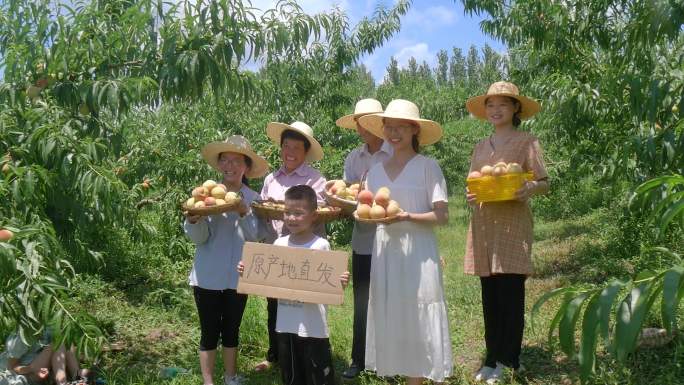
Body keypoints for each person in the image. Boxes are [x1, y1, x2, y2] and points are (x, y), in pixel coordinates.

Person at [357, 99, 453, 384]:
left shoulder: (428, 166)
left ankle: (417, 377)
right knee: (393, 309)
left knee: (420, 308)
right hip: (386, 250)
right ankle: (402, 369)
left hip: (418, 252)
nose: (394, 133)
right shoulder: (374, 172)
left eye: (401, 127)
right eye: (389, 127)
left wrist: (407, 216)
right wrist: (362, 213)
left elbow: (442, 215)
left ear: (414, 130)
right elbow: (367, 210)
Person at [463, 81, 549, 384]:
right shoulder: (480, 148)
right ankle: (491, 357)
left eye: (502, 104)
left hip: (512, 224)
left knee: (511, 292)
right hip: (485, 224)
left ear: (516, 108)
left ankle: (509, 359)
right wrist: (471, 195)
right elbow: (475, 184)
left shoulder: (527, 141)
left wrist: (530, 188)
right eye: (490, 104)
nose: (495, 110)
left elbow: (544, 181)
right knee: (491, 296)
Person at [238, 185, 349, 385]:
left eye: (299, 213)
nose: (292, 218)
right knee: (291, 375)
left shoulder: (321, 245)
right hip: (286, 325)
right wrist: (248, 271)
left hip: (313, 326)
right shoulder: (279, 245)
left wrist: (340, 282)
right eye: (288, 212)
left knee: (317, 375)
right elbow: (267, 277)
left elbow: (330, 284)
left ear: (314, 216)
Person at [184, 135, 270, 385]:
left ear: (246, 167)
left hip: (237, 276)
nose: (231, 166)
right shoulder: (205, 195)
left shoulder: (254, 199)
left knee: (232, 329)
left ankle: (231, 376)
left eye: (237, 161)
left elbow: (257, 237)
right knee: (209, 331)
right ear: (220, 165)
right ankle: (208, 381)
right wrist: (193, 221)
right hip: (207, 275)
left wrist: (244, 212)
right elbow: (199, 239)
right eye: (226, 160)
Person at [255, 121, 327, 372]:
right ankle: (276, 355)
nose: (290, 152)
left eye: (296, 147)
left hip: (304, 253)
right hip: (278, 250)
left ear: (305, 151)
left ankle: (308, 354)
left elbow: (317, 213)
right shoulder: (270, 179)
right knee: (275, 305)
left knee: (305, 305)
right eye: (286, 146)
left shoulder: (316, 180)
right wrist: (266, 244)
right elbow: (264, 214)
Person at [335, 98, 392, 379]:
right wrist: (344, 207)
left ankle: (389, 359)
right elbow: (347, 195)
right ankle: (359, 359)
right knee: (362, 301)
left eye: (367, 120)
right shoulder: (354, 158)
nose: (362, 127)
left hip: (393, 239)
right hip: (364, 240)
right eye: (358, 121)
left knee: (390, 299)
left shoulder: (395, 153)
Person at [0, 330, 88, 385]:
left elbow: (63, 347)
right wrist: (31, 368)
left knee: (61, 337)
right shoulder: (20, 336)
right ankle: (64, 381)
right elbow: (11, 367)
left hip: (43, 366)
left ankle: (77, 376)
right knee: (58, 341)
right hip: (26, 372)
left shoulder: (48, 323)